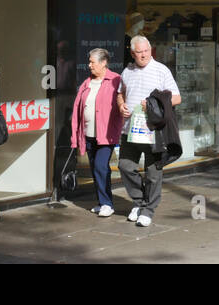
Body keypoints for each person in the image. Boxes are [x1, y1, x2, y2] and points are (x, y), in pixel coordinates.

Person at [118, 35, 182, 225]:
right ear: (132, 53)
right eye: (139, 52)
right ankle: (138, 201)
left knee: (153, 172)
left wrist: (155, 105)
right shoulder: (127, 71)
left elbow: (177, 98)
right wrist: (121, 105)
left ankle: (148, 209)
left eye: (146, 51)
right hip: (130, 129)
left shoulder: (161, 70)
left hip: (153, 130)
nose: (144, 55)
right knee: (125, 166)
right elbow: (120, 94)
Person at [71, 48, 122, 218]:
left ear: (103, 63)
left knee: (101, 167)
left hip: (106, 134)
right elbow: (78, 108)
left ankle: (107, 203)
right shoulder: (86, 83)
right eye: (90, 61)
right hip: (89, 133)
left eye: (93, 62)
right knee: (95, 169)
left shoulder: (115, 80)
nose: (89, 65)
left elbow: (122, 102)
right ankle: (102, 202)